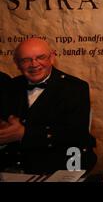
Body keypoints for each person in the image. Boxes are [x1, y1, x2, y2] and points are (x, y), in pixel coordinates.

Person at [0, 38, 97, 174]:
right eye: (25, 60)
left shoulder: (75, 88)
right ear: (17, 64)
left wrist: (25, 134)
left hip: (60, 164)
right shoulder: (11, 86)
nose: (34, 64)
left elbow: (76, 134)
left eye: (40, 57)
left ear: (52, 58)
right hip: (15, 166)